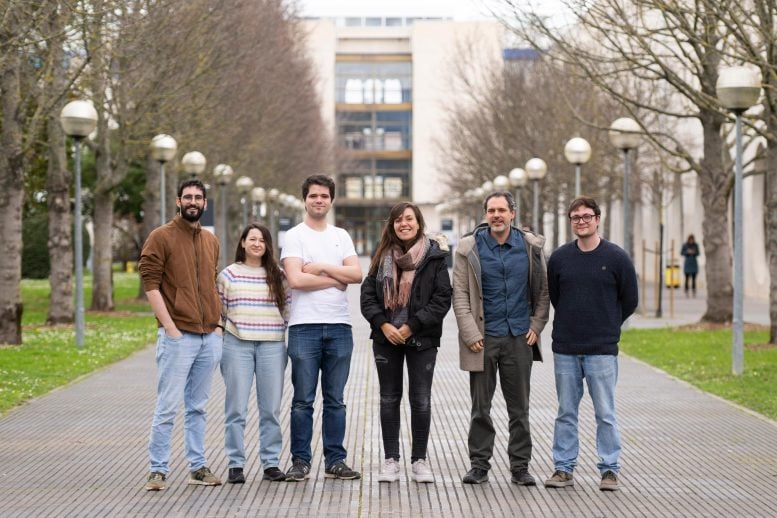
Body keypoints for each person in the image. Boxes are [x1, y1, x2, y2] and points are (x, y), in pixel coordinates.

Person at [452, 191, 549, 486]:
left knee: (519, 408)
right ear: (485, 214)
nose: (496, 215)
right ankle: (479, 465)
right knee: (480, 407)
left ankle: (520, 466)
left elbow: (543, 292)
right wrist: (470, 333)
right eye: (491, 210)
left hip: (520, 338)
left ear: (512, 213)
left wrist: (536, 324)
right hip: (483, 339)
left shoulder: (530, 247)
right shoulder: (468, 249)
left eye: (502, 210)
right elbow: (460, 295)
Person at [544, 197, 638, 492]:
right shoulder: (559, 258)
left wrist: (607, 325)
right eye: (575, 217)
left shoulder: (617, 258)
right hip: (566, 348)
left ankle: (609, 470)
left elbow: (630, 300)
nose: (581, 221)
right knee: (565, 412)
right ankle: (563, 468)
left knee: (605, 413)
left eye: (586, 216)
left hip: (601, 349)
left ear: (598, 219)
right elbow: (556, 298)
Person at [138, 179, 223, 491]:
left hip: (209, 337)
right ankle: (157, 469)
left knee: (198, 407)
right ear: (178, 201)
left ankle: (198, 467)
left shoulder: (210, 241)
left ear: (204, 203)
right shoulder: (161, 237)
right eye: (188, 196)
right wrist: (170, 329)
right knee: (167, 406)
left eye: (198, 197)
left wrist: (218, 327)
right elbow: (150, 284)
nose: (193, 201)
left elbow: (211, 284)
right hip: (178, 337)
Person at [360, 202, 452, 483]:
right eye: (398, 220)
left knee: (421, 400)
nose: (404, 224)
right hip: (386, 339)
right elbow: (367, 297)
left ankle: (419, 461)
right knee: (389, 398)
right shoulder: (381, 256)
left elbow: (441, 299)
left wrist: (412, 326)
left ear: (418, 222)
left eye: (409, 219)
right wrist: (384, 324)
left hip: (421, 340)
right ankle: (391, 461)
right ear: (392, 224)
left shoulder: (434, 258)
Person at [280, 174, 363, 481]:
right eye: (313, 196)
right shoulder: (294, 236)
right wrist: (336, 278)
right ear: (305, 199)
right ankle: (300, 461)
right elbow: (296, 280)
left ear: (331, 200)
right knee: (303, 399)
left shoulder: (341, 235)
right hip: (304, 328)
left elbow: (357, 275)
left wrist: (322, 267)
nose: (318, 200)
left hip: (340, 327)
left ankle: (335, 461)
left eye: (324, 196)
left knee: (336, 399)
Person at [218, 224, 289, 484]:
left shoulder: (278, 275)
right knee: (235, 408)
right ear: (243, 242)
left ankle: (270, 463)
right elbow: (221, 310)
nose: (257, 243)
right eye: (252, 239)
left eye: (262, 240)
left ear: (268, 245)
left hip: (272, 345)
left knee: (270, 409)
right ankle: (236, 464)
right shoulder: (229, 275)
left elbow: (288, 308)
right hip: (237, 344)